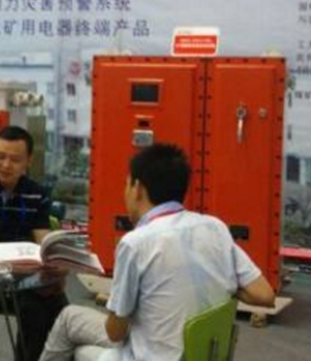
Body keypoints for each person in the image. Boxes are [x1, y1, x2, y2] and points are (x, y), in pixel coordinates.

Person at [38, 144, 276, 361]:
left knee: (72, 328)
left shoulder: (136, 243)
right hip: (203, 354)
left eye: (126, 184)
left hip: (152, 354)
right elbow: (264, 295)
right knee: (75, 320)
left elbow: (115, 332)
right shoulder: (215, 228)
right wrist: (219, 281)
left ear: (137, 188)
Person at [0, 125, 66, 361]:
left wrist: (57, 261)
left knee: (61, 309)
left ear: (28, 161)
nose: (6, 165)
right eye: (0, 156)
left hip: (26, 276)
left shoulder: (37, 193)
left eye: (15, 160)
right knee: (35, 306)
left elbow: (44, 243)